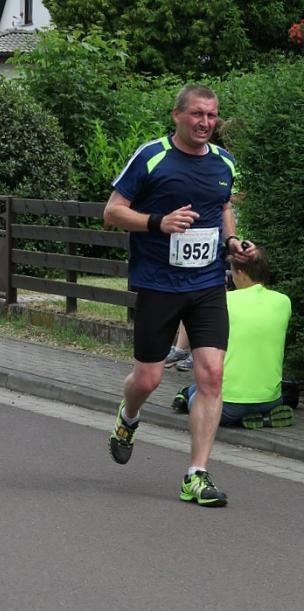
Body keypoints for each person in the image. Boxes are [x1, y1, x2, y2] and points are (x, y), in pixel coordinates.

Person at [103, 84, 257, 507]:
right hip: (159, 284)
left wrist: (232, 242)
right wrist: (158, 222)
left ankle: (196, 475)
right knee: (148, 379)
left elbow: (224, 207)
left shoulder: (225, 161)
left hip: (207, 284)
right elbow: (112, 211)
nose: (205, 122)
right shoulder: (152, 156)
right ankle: (128, 416)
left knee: (212, 374)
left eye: (212, 115)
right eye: (197, 114)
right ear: (177, 115)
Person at [171, 248, 293, 428]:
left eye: (232, 271)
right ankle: (262, 417)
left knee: (197, 400)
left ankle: (189, 395)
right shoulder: (284, 302)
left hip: (226, 404)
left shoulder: (223, 301)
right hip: (271, 399)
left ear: (241, 273)